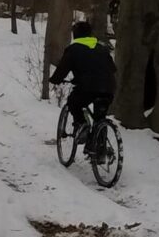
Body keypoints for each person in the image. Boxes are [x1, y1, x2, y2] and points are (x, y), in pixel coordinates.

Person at [48, 19, 116, 158]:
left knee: (74, 102)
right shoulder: (102, 48)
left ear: (75, 35)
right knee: (100, 118)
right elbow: (112, 68)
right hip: (108, 88)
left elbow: (62, 70)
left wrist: (54, 80)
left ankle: (82, 124)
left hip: (87, 88)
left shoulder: (73, 49)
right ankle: (100, 151)